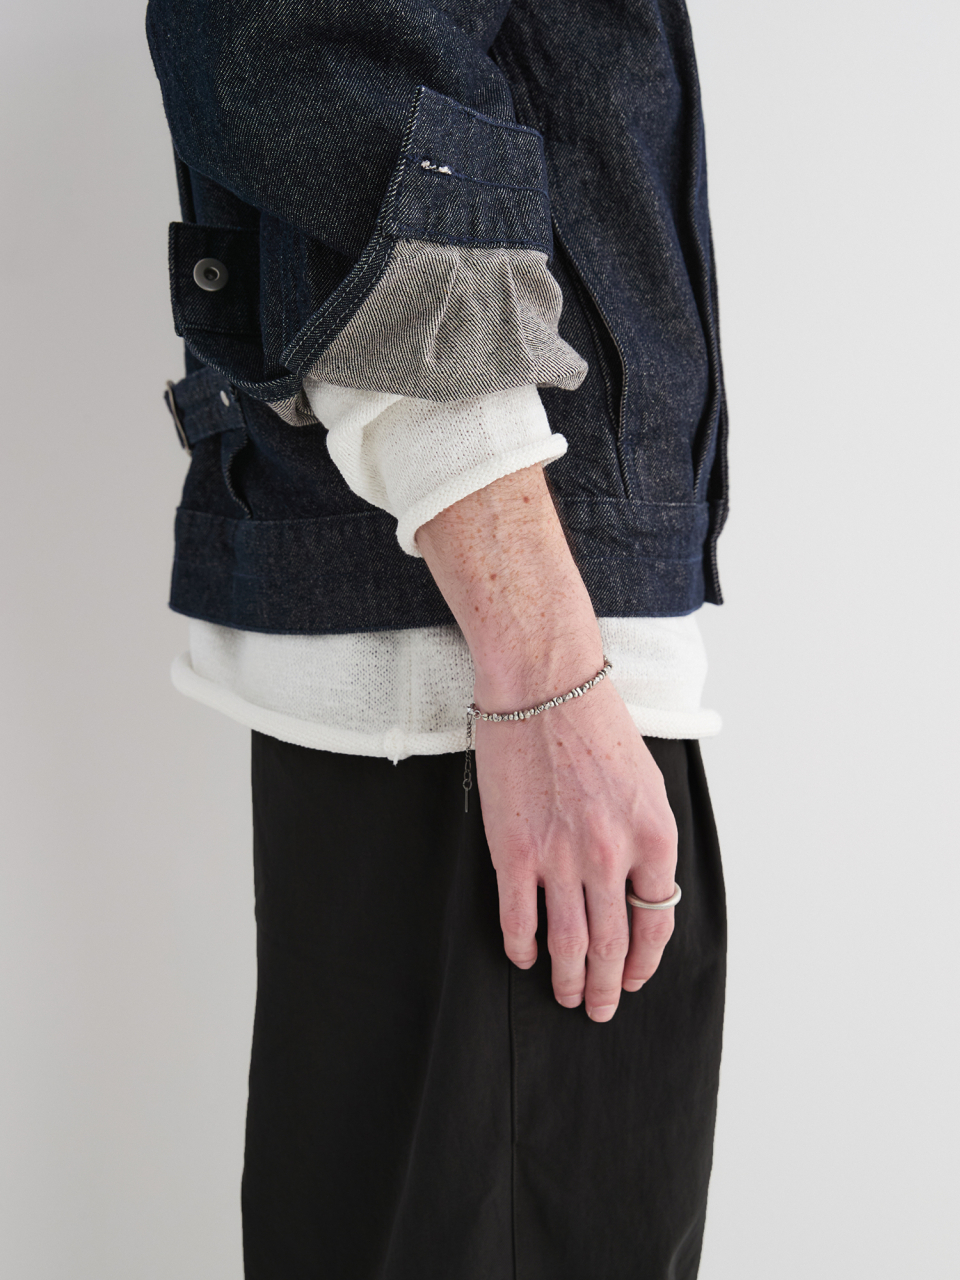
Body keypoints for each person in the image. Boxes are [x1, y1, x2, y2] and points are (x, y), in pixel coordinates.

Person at [146, 1, 729, 1276]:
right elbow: (324, 42)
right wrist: (543, 670)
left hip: (501, 658)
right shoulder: (531, 681)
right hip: (497, 672)